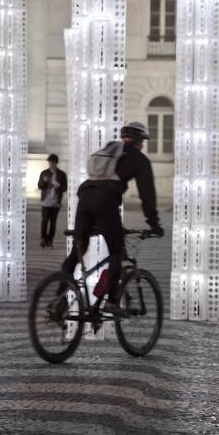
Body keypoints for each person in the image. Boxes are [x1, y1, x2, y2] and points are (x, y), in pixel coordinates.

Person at [60, 122, 164, 312]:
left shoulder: (109, 150)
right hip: (105, 201)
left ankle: (58, 300)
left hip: (84, 198)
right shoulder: (139, 159)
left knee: (78, 251)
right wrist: (154, 223)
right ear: (139, 141)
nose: (142, 145)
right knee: (116, 251)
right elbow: (147, 194)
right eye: (142, 142)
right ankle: (112, 302)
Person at [37, 153, 68, 249]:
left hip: (56, 202)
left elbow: (65, 188)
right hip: (46, 201)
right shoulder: (44, 173)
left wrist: (59, 186)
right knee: (44, 221)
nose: (51, 164)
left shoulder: (62, 174)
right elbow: (40, 186)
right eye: (50, 162)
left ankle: (50, 240)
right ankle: (43, 239)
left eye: (52, 163)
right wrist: (44, 181)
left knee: (53, 222)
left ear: (56, 163)